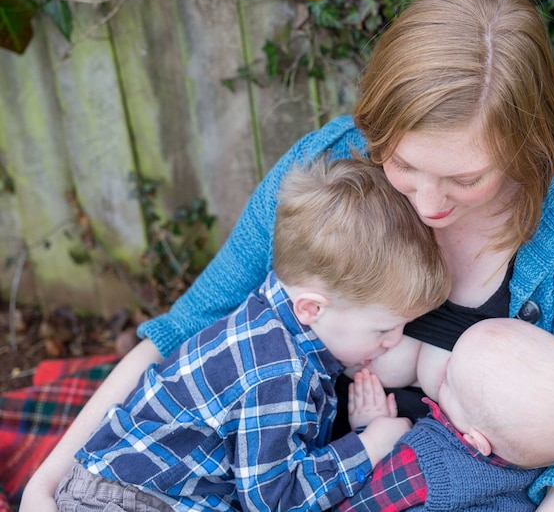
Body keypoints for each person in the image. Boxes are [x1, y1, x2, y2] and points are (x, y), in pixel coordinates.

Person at [23, 0, 554, 512]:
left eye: (466, 179)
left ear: (526, 147)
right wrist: (46, 484)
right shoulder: (331, 168)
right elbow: (186, 331)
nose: (428, 204)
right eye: (403, 164)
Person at [52, 158, 451, 512]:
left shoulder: (267, 317)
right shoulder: (278, 373)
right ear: (312, 308)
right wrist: (370, 446)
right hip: (130, 501)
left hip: (125, 486)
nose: (394, 340)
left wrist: (362, 426)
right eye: (384, 328)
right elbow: (275, 501)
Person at [337, 317, 554, 512]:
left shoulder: (425, 462)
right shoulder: (530, 466)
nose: (444, 364)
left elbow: (356, 506)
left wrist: (367, 430)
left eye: (449, 380)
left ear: (476, 440)